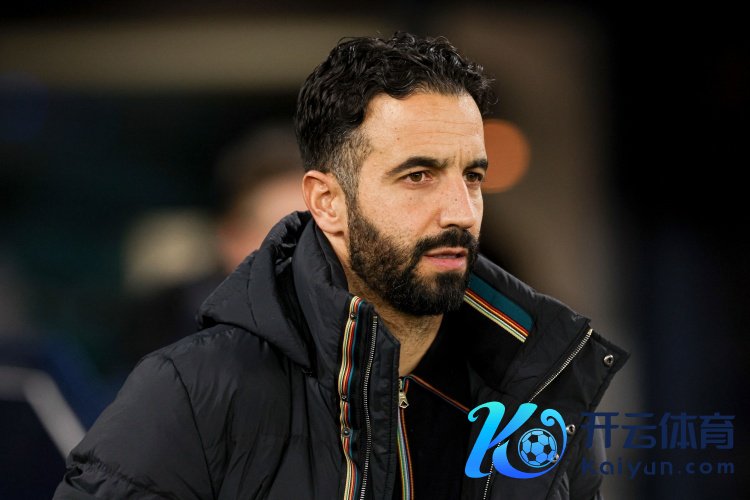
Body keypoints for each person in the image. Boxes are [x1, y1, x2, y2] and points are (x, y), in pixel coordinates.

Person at [53, 32, 628, 499]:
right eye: (418, 176)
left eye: (472, 176)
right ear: (327, 202)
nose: (461, 210)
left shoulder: (539, 390)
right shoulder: (196, 390)